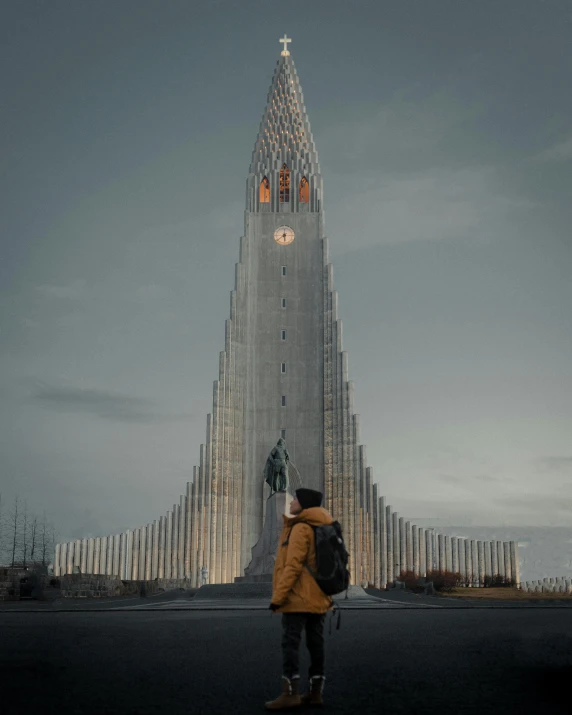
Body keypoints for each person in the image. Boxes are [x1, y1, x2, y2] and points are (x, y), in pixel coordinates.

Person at [265, 487, 334, 710]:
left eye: (295, 499)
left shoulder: (301, 528)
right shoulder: (324, 526)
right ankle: (315, 693)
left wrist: (279, 596)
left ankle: (290, 693)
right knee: (316, 643)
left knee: (291, 643)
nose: (292, 501)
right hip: (319, 596)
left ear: (303, 504)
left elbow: (292, 567)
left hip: (298, 597)